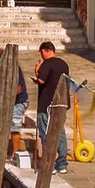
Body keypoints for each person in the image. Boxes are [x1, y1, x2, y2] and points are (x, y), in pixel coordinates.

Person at [33, 41, 70, 174]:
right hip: (62, 103)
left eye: (41, 52)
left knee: (45, 133)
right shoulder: (63, 64)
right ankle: (62, 164)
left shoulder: (46, 64)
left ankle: (50, 164)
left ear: (44, 51)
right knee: (60, 133)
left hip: (47, 104)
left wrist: (37, 69)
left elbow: (41, 80)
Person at [0, 47, 29, 161]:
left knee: (14, 128)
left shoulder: (12, 69)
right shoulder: (5, 69)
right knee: (8, 127)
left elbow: (17, 89)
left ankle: (15, 154)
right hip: (12, 103)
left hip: (18, 102)